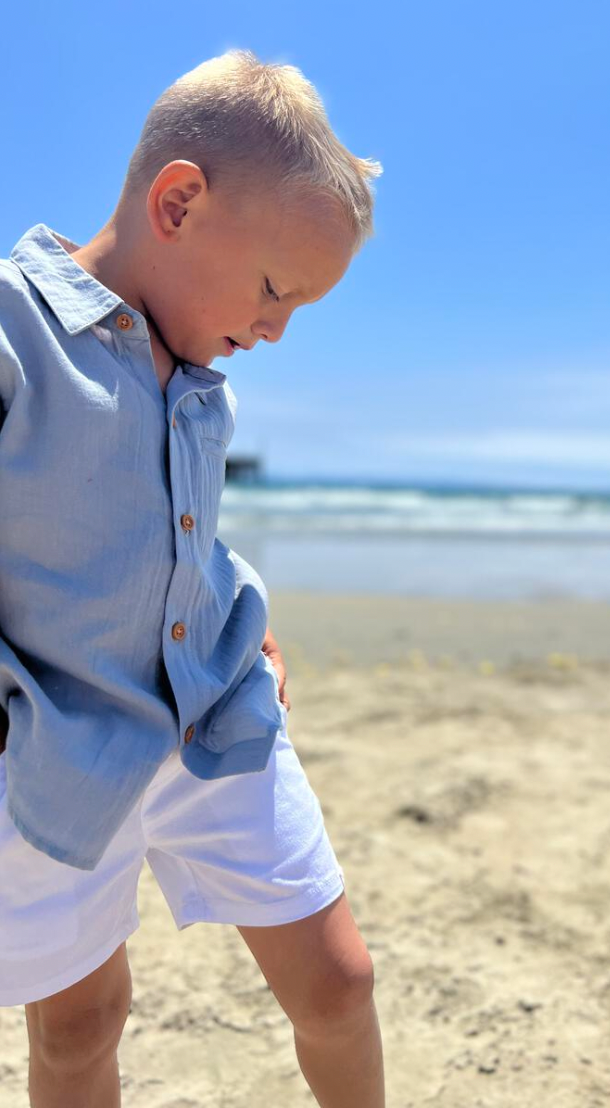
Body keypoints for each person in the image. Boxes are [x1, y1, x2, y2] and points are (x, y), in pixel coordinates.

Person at [0, 48, 384, 1107]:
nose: (273, 328)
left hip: (216, 713)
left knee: (341, 982)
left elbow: (174, 528)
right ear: (177, 201)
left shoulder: (198, 368)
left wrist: (235, 601)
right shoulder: (15, 335)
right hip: (59, 749)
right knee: (80, 1024)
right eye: (273, 289)